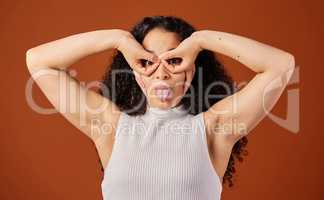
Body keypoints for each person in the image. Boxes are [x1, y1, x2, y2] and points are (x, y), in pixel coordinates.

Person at [25, 16, 295, 200]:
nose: (161, 73)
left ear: (192, 66)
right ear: (134, 70)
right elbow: (38, 61)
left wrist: (201, 40)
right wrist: (118, 39)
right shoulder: (111, 127)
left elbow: (281, 65)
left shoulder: (214, 129)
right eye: (147, 61)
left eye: (174, 59)